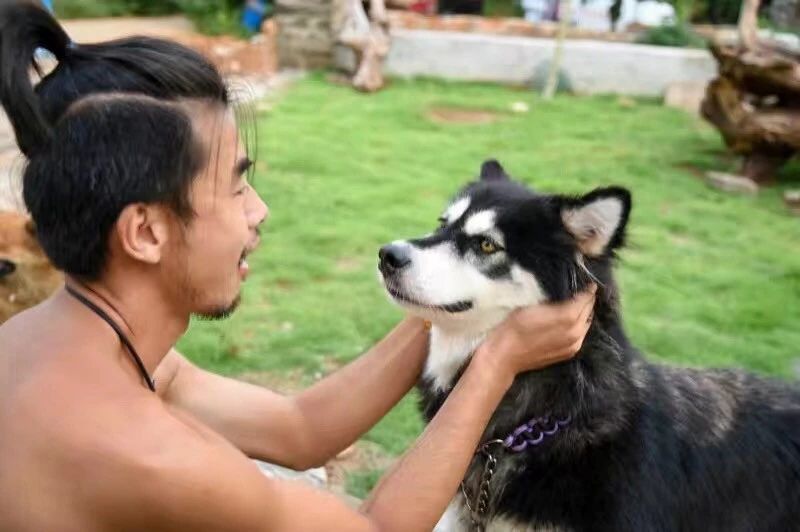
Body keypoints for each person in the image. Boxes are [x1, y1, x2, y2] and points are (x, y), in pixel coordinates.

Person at [0, 2, 596, 530]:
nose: (259, 210)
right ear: (146, 232)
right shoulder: (150, 455)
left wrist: (441, 294)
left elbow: (300, 428)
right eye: (236, 187)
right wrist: (495, 363)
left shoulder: (68, 350)